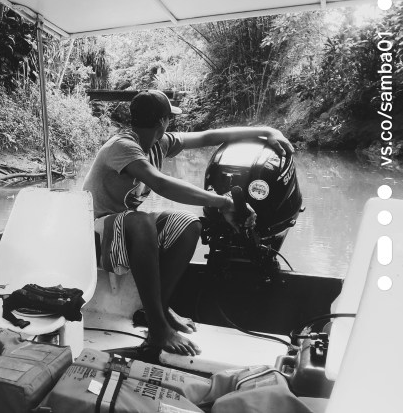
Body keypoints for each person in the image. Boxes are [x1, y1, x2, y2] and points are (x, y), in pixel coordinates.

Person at [82, 90, 293, 356]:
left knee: (188, 224)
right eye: (169, 118)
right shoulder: (122, 147)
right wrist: (223, 202)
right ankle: (158, 330)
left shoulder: (159, 144)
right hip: (91, 238)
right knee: (141, 222)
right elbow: (161, 183)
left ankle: (155, 310)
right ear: (162, 121)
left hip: (118, 233)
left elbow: (209, 136)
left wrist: (265, 131)